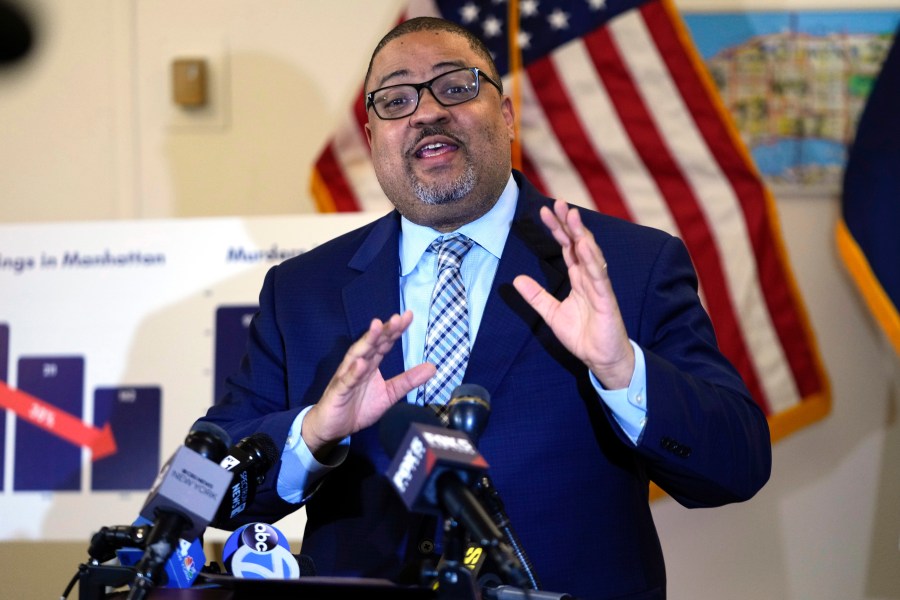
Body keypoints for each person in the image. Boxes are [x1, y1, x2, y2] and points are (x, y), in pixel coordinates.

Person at [196, 16, 771, 600]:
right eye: (396, 100)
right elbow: (200, 489)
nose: (425, 112)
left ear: (508, 114)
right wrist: (313, 433)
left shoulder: (627, 265)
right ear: (372, 139)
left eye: (455, 86)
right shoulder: (302, 290)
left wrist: (623, 371)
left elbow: (738, 467)